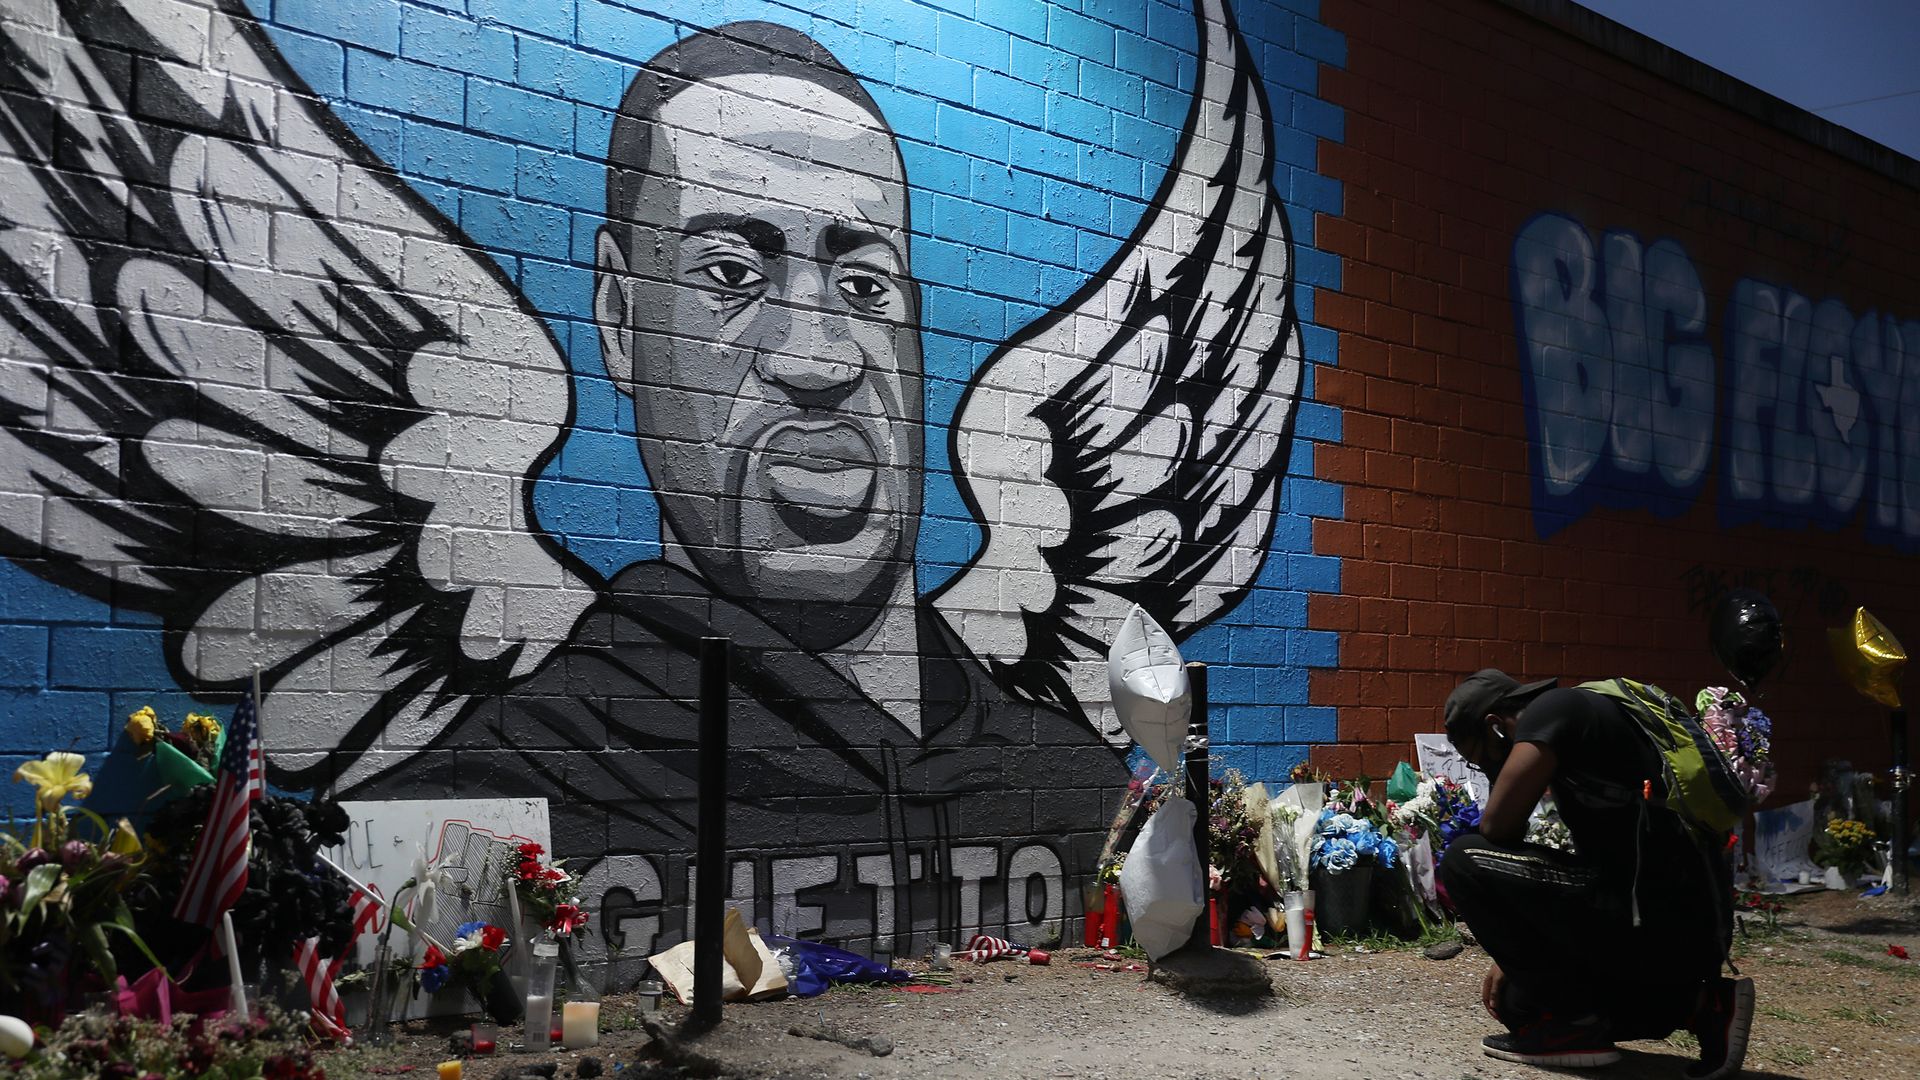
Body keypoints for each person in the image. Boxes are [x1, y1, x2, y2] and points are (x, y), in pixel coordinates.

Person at [1439, 669, 1752, 1078]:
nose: (1483, 770)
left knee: (1464, 860)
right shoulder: (1590, 724)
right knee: (1518, 1001)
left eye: (1478, 757)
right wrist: (1515, 954)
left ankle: (1575, 1026)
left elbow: (1498, 828)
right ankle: (1705, 1008)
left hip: (1651, 918)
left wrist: (1516, 944)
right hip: (1675, 930)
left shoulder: (1554, 709)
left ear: (1495, 726)